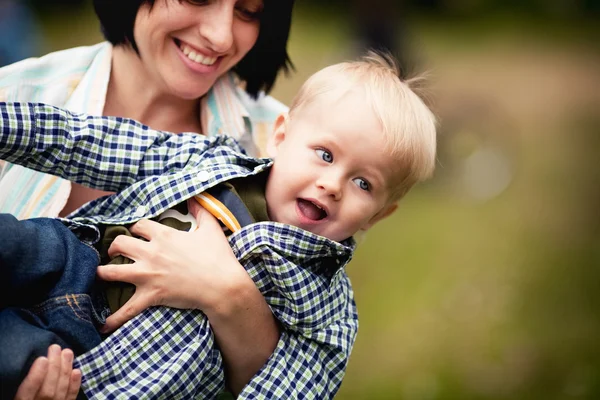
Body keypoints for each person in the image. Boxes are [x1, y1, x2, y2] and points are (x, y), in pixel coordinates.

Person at [0, 53, 437, 399]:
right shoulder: (211, 161)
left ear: (380, 214)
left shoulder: (326, 308)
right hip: (72, 260)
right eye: (325, 154)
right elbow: (95, 143)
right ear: (281, 136)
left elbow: (294, 389)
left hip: (89, 362)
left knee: (18, 365)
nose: (332, 184)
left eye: (363, 183)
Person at [0, 0, 299, 397]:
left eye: (248, 11)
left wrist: (230, 295)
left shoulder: (294, 150)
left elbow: (298, 374)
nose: (221, 35)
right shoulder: (15, 97)